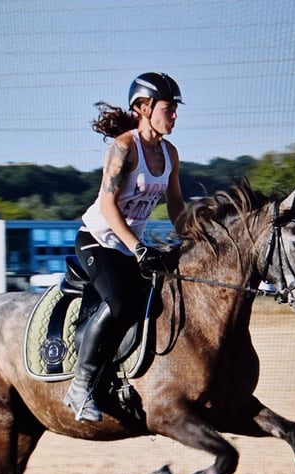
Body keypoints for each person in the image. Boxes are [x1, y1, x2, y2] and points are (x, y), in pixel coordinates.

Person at [63, 72, 187, 422]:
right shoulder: (124, 148)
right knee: (121, 301)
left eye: (176, 109)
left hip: (131, 248)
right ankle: (81, 385)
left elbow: (177, 206)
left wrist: (193, 240)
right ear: (144, 108)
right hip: (98, 241)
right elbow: (107, 206)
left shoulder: (170, 153)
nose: (174, 115)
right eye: (169, 108)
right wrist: (138, 247)